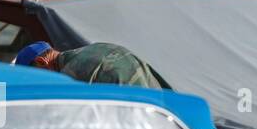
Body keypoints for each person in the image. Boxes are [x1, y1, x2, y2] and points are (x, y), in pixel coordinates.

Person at [14, 41, 162, 89]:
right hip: (165, 111)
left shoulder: (70, 75)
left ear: (42, 62)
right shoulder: (97, 47)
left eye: (34, 76)